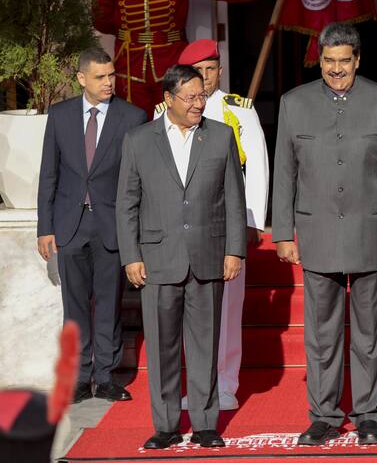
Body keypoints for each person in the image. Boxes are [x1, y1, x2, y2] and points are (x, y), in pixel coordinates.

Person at [272, 22, 377, 446]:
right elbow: (285, 172)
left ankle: (369, 415)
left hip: (373, 233)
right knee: (321, 335)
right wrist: (283, 232)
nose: (336, 69)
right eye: (329, 61)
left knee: (372, 333)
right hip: (317, 235)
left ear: (358, 60)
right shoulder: (293, 103)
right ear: (320, 59)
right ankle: (324, 415)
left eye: (344, 61)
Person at [116, 65, 246, 448]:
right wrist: (131, 257)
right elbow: (127, 204)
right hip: (157, 260)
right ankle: (167, 425)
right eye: (189, 98)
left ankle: (206, 424)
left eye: (201, 96)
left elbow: (234, 202)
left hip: (208, 256)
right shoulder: (139, 140)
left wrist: (234, 250)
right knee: (161, 349)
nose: (198, 104)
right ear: (168, 99)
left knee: (205, 346)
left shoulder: (220, 137)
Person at [154, 39, 269, 411]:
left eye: (210, 69)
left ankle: (226, 382)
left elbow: (257, 169)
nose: (203, 79)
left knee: (227, 308)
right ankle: (199, 383)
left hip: (226, 224)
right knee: (192, 311)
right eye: (196, 71)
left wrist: (251, 221)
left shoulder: (239, 111)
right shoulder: (165, 112)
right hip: (183, 228)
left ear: (220, 70)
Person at [37, 47, 147, 404]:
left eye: (112, 75)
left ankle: (107, 376)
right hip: (69, 225)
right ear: (82, 79)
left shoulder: (132, 117)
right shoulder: (60, 116)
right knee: (75, 306)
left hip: (110, 224)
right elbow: (48, 175)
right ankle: (80, 378)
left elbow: (138, 180)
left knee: (110, 303)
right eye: (100, 77)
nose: (109, 83)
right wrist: (44, 226)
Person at [93, 0, 293, 116]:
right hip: (130, 66)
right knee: (133, 129)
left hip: (172, 62)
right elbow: (100, 18)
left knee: (178, 125)